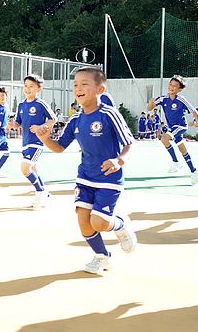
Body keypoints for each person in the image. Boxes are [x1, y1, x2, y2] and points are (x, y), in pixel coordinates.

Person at [34, 66, 137, 274]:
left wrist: (119, 161)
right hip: (85, 177)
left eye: (84, 84)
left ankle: (120, 224)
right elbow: (59, 147)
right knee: (84, 222)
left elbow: (129, 144)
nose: (78, 88)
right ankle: (102, 257)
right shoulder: (75, 120)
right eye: (75, 85)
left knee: (98, 222)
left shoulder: (109, 114)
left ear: (100, 90)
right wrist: (44, 138)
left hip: (109, 179)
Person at [8, 74, 56, 208]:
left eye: (31, 86)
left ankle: (40, 192)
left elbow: (53, 119)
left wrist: (41, 127)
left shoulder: (40, 104)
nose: (27, 89)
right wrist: (13, 125)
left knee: (25, 168)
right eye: (26, 86)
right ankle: (44, 192)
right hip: (25, 142)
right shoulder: (21, 105)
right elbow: (18, 123)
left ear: (38, 89)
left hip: (37, 142)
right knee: (33, 168)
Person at [148, 75, 198, 184]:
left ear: (179, 89)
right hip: (172, 128)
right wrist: (151, 103)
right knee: (182, 148)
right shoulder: (163, 98)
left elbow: (194, 111)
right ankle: (194, 170)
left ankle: (175, 162)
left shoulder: (181, 100)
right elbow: (149, 108)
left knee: (164, 138)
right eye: (170, 84)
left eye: (175, 86)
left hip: (180, 126)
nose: (171, 87)